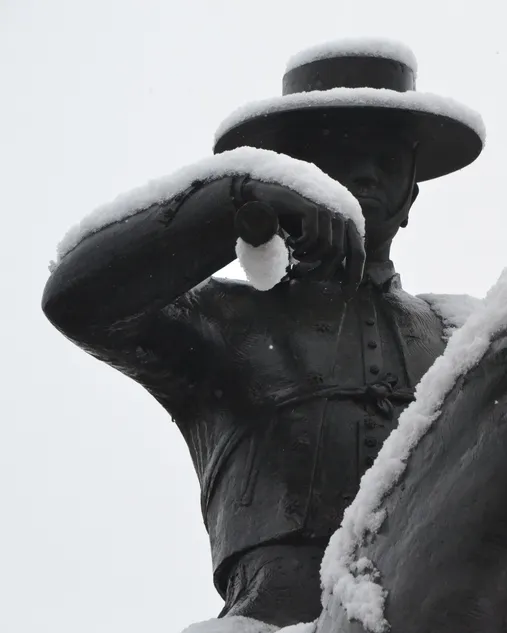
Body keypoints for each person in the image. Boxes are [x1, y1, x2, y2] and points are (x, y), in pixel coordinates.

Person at [41, 38, 484, 630]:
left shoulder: (460, 339)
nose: (366, 172)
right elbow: (77, 300)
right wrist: (236, 199)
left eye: (388, 157)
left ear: (412, 197)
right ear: (296, 172)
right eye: (341, 152)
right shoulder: (224, 320)